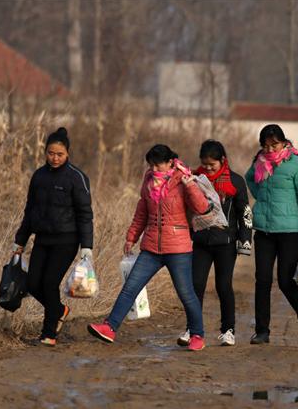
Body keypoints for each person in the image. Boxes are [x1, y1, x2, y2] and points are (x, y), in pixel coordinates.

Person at [88, 144, 210, 351]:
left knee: (186, 293)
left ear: (170, 162)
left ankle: (197, 335)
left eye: (157, 165)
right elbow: (142, 212)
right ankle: (109, 327)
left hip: (178, 248)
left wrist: (190, 186)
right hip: (151, 247)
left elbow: (202, 208)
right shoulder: (148, 182)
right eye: (151, 165)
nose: (154, 169)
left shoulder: (184, 179)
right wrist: (131, 238)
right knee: (131, 287)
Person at [13, 127, 93, 347]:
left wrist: (87, 246)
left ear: (68, 154)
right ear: (45, 152)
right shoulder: (39, 176)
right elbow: (30, 211)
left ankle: (49, 334)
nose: (55, 158)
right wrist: (20, 241)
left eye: (60, 154)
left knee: (49, 283)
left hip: (67, 239)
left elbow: (85, 214)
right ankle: (59, 310)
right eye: (51, 153)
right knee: (32, 283)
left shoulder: (76, 178)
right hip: (42, 239)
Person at [246, 124, 298, 346]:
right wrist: (261, 197)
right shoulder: (258, 162)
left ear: (284, 142)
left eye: (274, 144)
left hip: (290, 232)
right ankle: (262, 332)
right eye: (265, 145)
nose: (269, 150)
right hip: (264, 232)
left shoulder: (296, 164)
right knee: (262, 280)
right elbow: (250, 179)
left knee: (286, 281)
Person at [177, 140, 252, 348]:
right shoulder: (194, 180)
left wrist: (245, 239)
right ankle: (192, 329)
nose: (208, 169)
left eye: (213, 165)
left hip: (226, 243)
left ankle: (228, 331)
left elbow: (244, 212)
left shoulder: (235, 182)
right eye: (205, 165)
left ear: (222, 161)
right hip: (200, 241)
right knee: (196, 285)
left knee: (223, 286)